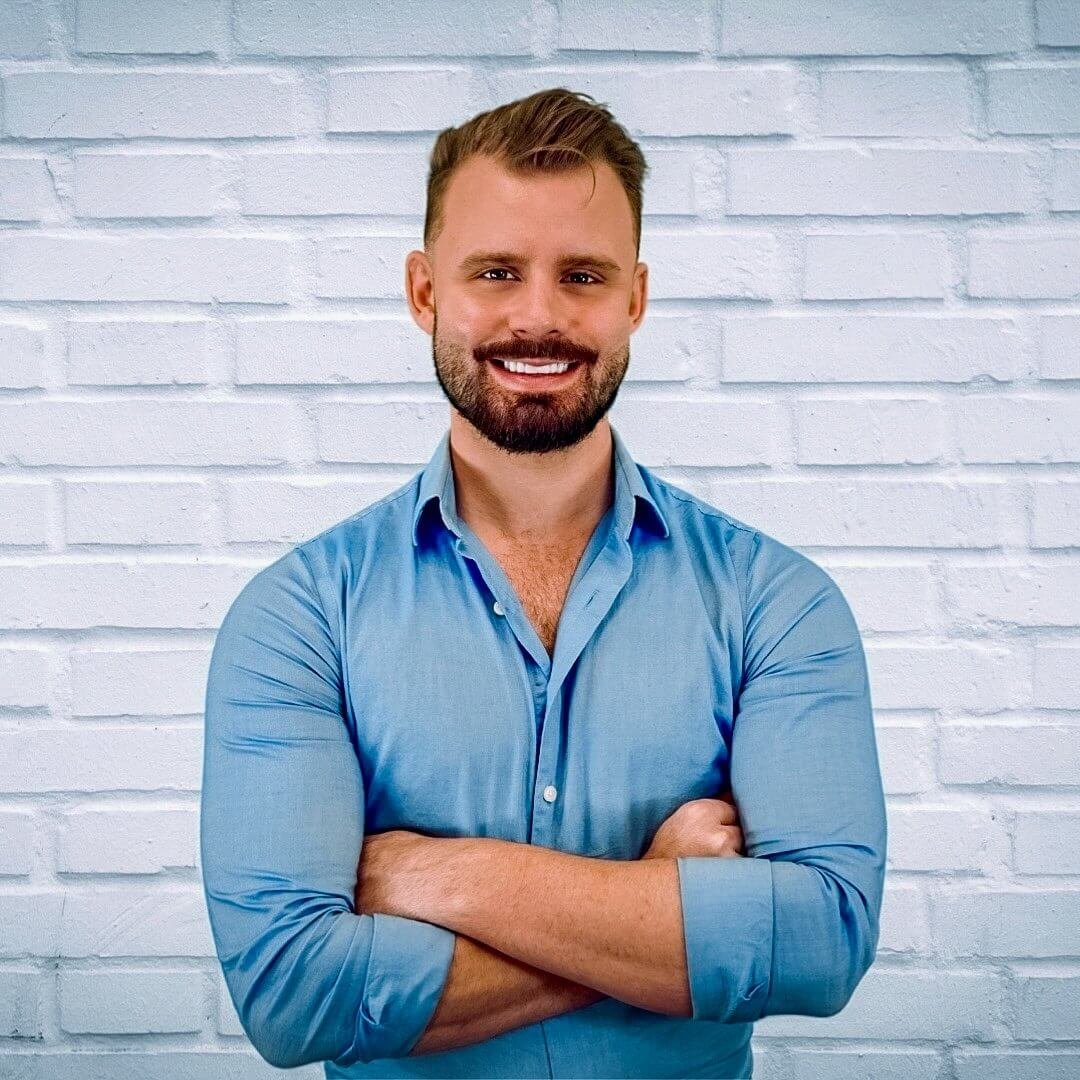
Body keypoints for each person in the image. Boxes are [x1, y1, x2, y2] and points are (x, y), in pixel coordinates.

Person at [200, 87, 887, 1079]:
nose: (538, 316)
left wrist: (438, 877)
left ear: (635, 299)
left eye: (583, 276)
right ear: (424, 291)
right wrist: (655, 901)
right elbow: (293, 995)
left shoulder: (774, 603)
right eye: (495, 272)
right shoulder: (298, 618)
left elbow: (822, 944)